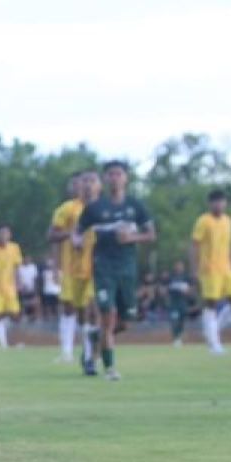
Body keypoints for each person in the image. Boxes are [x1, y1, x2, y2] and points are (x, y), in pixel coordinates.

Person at [76, 160, 155, 380]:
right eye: (110, 174)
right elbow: (78, 231)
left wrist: (132, 237)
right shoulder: (94, 208)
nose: (114, 178)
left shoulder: (135, 206)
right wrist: (77, 241)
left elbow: (150, 234)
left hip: (127, 268)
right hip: (103, 267)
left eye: (118, 174)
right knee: (108, 315)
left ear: (126, 178)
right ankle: (110, 369)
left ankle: (94, 338)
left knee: (124, 322)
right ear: (105, 179)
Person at [47, 170, 100, 373]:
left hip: (97, 268)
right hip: (71, 268)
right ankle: (67, 351)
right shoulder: (67, 209)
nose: (83, 186)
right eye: (80, 183)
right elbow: (52, 235)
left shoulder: (102, 209)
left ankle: (88, 355)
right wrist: (72, 234)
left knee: (92, 309)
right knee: (72, 310)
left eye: (88, 182)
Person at [190, 189, 231, 355]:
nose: (219, 204)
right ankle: (214, 345)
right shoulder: (203, 221)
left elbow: (229, 247)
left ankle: (211, 330)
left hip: (226, 268)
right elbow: (194, 245)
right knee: (211, 304)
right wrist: (195, 269)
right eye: (215, 201)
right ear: (210, 204)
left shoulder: (228, 221)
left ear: (225, 203)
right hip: (209, 269)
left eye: (222, 201)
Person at [164, 259, 194, 347]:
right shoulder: (170, 277)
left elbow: (191, 290)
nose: (179, 267)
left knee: (182, 320)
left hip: (183, 303)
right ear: (175, 266)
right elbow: (165, 290)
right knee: (174, 320)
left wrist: (187, 291)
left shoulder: (187, 277)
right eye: (177, 265)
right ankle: (175, 338)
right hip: (174, 303)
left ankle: (179, 336)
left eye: (180, 265)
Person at [16, 256, 40, 321]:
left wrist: (35, 289)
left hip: (31, 288)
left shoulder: (33, 267)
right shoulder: (19, 268)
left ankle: (36, 317)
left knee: (35, 302)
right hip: (22, 289)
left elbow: (35, 279)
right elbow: (17, 278)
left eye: (28, 258)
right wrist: (20, 287)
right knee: (22, 303)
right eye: (25, 258)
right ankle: (23, 316)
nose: (27, 260)